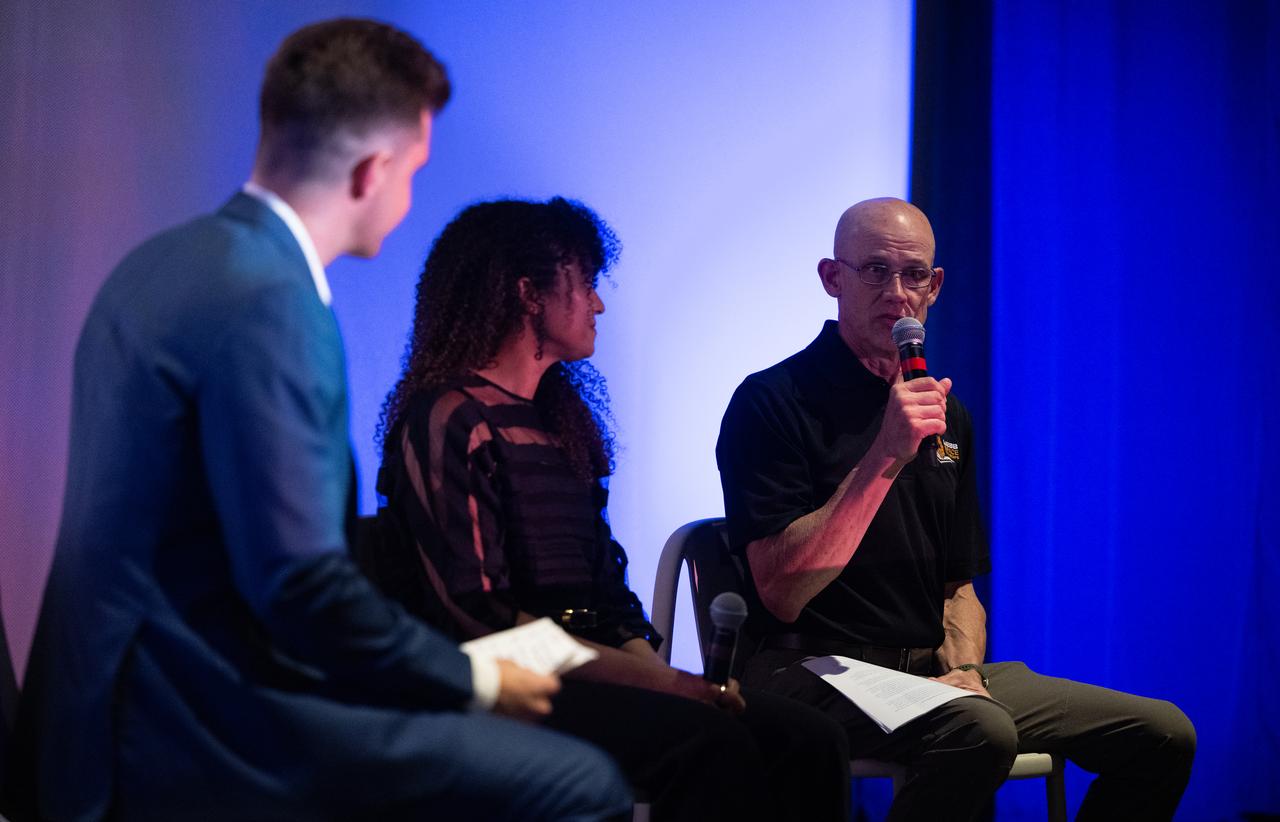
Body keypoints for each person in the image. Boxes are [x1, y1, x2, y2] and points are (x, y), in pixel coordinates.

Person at [4, 19, 631, 822]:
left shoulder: (161, 263)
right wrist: (475, 677)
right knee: (582, 786)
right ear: (374, 171)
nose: (410, 197)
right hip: (199, 722)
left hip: (98, 706)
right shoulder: (272, 301)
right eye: (415, 170)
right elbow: (300, 586)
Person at [367, 197, 851, 822]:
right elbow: (480, 620)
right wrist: (665, 684)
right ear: (529, 294)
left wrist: (667, 674)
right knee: (709, 744)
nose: (597, 304)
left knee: (809, 739)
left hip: (587, 663)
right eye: (587, 284)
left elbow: (604, 591)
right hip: (507, 681)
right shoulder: (451, 417)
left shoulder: (557, 423)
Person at [715, 197, 1197, 821]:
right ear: (832, 278)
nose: (897, 292)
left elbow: (958, 589)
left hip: (932, 679)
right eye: (873, 271)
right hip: (811, 665)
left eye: (914, 275)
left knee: (1162, 733)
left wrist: (966, 668)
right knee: (979, 732)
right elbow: (781, 591)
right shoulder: (772, 402)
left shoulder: (947, 417)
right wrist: (886, 455)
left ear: (935, 287)